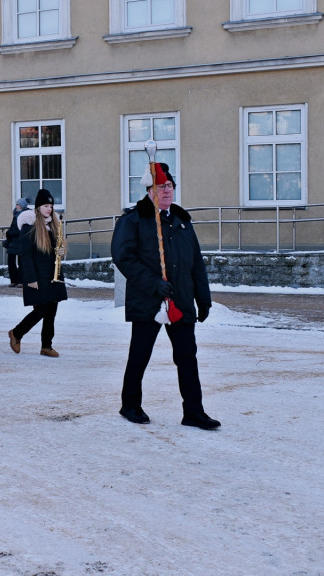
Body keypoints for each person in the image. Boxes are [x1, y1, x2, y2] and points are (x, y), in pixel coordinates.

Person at [111, 162, 219, 430]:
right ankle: (130, 404)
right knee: (140, 354)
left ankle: (193, 411)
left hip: (180, 300)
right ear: (150, 190)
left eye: (170, 186)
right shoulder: (134, 220)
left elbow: (196, 262)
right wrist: (152, 284)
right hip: (148, 299)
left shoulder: (182, 221)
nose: (167, 190)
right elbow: (123, 257)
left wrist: (203, 298)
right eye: (161, 186)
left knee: (187, 357)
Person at [7, 189, 67, 359]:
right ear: (38, 207)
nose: (49, 209)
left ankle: (46, 346)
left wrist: (61, 251)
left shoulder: (53, 225)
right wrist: (30, 278)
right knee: (41, 309)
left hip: (52, 274)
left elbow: (55, 250)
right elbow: (25, 255)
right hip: (38, 275)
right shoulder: (29, 226)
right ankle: (16, 333)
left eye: (51, 206)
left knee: (51, 310)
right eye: (45, 206)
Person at [4, 198, 29, 287]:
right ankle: (13, 280)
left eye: (18, 204)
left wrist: (11, 233)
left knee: (21, 262)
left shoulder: (25, 215)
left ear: (22, 206)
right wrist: (9, 233)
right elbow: (13, 226)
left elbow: (22, 229)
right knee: (11, 262)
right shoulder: (16, 214)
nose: (16, 206)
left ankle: (21, 281)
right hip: (13, 242)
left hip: (20, 241)